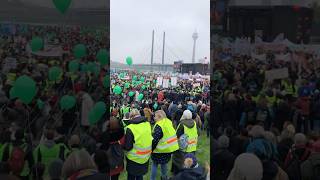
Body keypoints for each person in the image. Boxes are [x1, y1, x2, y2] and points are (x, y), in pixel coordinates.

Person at [123, 109, 152, 180]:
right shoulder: (147, 124)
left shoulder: (130, 128)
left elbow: (128, 147)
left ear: (131, 117)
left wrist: (121, 145)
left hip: (134, 158)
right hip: (146, 156)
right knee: (140, 175)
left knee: (131, 176)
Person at [151, 110, 179, 180]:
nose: (154, 118)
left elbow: (155, 140)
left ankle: (152, 179)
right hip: (168, 149)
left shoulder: (159, 125)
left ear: (159, 117)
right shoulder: (168, 122)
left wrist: (151, 149)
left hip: (158, 150)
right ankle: (164, 177)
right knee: (164, 164)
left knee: (154, 164)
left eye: (155, 116)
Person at [172, 110, 198, 175]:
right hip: (193, 146)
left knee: (182, 162)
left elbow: (177, 135)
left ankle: (182, 175)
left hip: (184, 147)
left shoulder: (182, 124)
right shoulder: (194, 123)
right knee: (191, 162)